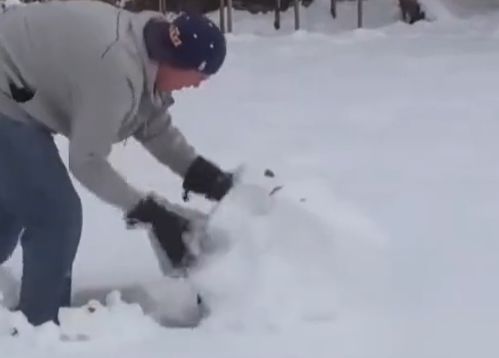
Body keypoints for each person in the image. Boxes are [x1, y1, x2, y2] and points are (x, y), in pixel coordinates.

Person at [0, 1, 233, 326]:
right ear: (178, 60)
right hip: (7, 94)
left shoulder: (147, 52)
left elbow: (152, 126)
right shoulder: (116, 70)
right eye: (200, 74)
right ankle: (39, 330)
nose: (199, 84)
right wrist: (148, 211)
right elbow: (87, 162)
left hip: (18, 84)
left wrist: (203, 176)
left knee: (19, 197)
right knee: (55, 214)